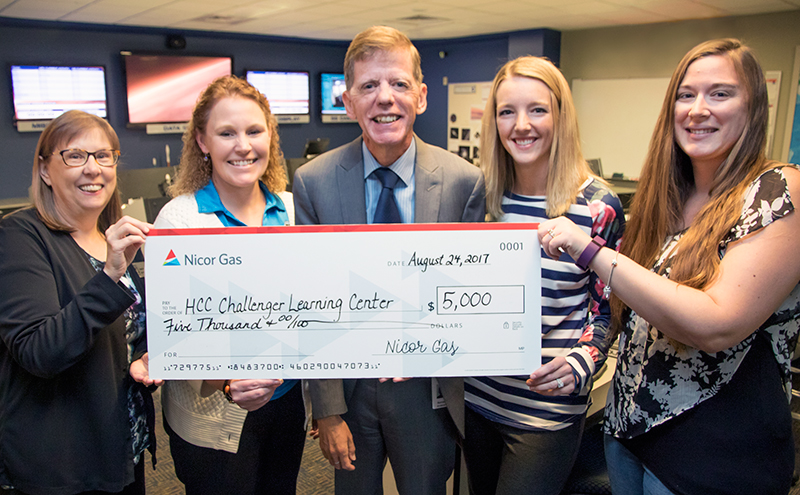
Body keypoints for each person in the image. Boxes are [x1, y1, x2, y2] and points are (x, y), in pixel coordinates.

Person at [539, 39, 800, 494]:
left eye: (720, 93)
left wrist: (592, 252)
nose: (698, 109)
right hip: (628, 436)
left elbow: (718, 324)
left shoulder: (776, 191)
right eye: (686, 95)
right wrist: (583, 352)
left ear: (754, 106)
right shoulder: (665, 200)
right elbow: (626, 311)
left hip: (711, 456)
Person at [293, 25, 485, 495]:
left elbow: (469, 296)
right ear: (348, 101)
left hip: (427, 390)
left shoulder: (465, 181)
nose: (385, 98)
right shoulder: (313, 182)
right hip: (350, 389)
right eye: (369, 86)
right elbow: (311, 301)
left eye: (399, 84)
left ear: (420, 97)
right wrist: (328, 409)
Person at [464, 56, 625, 495]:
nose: (521, 125)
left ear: (560, 116)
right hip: (477, 398)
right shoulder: (480, 201)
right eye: (506, 111)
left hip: (545, 410)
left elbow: (609, 311)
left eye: (537, 109)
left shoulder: (597, 207)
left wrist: (582, 362)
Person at [152, 75, 306, 495]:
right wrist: (224, 380)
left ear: (270, 137)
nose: (243, 146)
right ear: (202, 141)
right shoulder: (179, 221)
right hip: (211, 414)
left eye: (255, 131)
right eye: (226, 133)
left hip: (287, 403)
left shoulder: (295, 212)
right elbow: (171, 335)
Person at [0, 110, 154, 494]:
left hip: (121, 449)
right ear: (46, 170)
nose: (93, 168)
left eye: (104, 156)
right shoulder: (19, 235)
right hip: (63, 466)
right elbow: (40, 350)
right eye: (75, 156)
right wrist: (109, 276)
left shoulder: (109, 239)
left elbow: (123, 332)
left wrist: (144, 358)